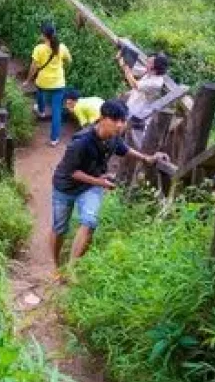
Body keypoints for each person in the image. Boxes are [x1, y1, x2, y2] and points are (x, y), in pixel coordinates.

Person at [51, 99, 169, 269]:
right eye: (116, 120)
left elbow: (125, 149)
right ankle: (55, 266)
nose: (120, 125)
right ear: (103, 118)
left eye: (122, 120)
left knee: (90, 222)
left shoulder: (113, 138)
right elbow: (73, 172)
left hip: (90, 186)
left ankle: (71, 269)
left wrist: (147, 159)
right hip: (65, 186)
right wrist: (101, 182)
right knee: (59, 228)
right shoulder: (81, 142)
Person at [23, 23, 72, 146]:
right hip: (59, 83)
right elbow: (69, 60)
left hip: (43, 81)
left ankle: (41, 111)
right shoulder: (62, 47)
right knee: (56, 110)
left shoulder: (39, 49)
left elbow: (33, 67)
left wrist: (28, 80)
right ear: (54, 33)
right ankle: (54, 139)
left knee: (40, 93)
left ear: (43, 35)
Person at [118, 51, 169, 140]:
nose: (147, 61)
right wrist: (121, 59)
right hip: (132, 106)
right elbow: (132, 70)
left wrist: (125, 67)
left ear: (156, 66)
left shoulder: (156, 82)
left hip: (138, 113)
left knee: (122, 132)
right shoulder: (149, 72)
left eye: (150, 62)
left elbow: (135, 84)